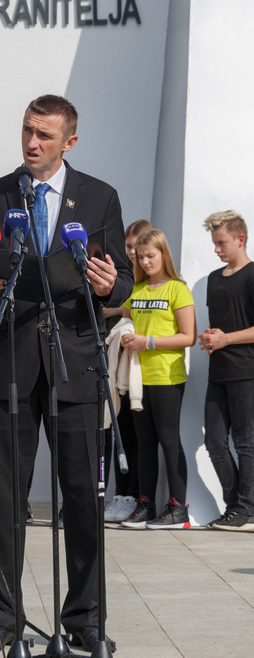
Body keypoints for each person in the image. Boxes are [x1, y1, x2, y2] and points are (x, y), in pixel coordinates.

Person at [0, 94, 133, 654]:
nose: (32, 143)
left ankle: (84, 620)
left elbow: (124, 280)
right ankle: (2, 620)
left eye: (45, 135)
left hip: (75, 364)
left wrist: (110, 286)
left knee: (82, 498)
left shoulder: (100, 196)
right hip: (10, 362)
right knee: (4, 500)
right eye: (27, 131)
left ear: (69, 142)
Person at [121, 228, 196, 529]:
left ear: (164, 254)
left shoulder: (178, 289)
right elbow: (124, 321)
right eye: (140, 257)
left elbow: (188, 337)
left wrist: (148, 342)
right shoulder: (137, 290)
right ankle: (145, 504)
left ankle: (178, 509)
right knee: (144, 443)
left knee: (169, 440)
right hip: (138, 378)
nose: (145, 262)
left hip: (167, 376)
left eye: (150, 256)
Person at [199, 210, 254, 531]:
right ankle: (235, 507)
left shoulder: (253, 275)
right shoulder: (214, 279)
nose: (216, 249)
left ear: (240, 239)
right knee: (215, 442)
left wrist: (226, 339)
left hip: (247, 372)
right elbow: (224, 322)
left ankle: (247, 509)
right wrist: (210, 337)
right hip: (217, 372)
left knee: (246, 443)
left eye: (221, 243)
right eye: (214, 243)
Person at [103, 219, 152, 523]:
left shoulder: (150, 279)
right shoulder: (123, 274)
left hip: (142, 367)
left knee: (136, 436)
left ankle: (134, 495)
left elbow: (140, 309)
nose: (133, 253)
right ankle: (120, 494)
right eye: (129, 247)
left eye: (137, 247)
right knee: (117, 430)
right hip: (116, 364)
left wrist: (115, 309)